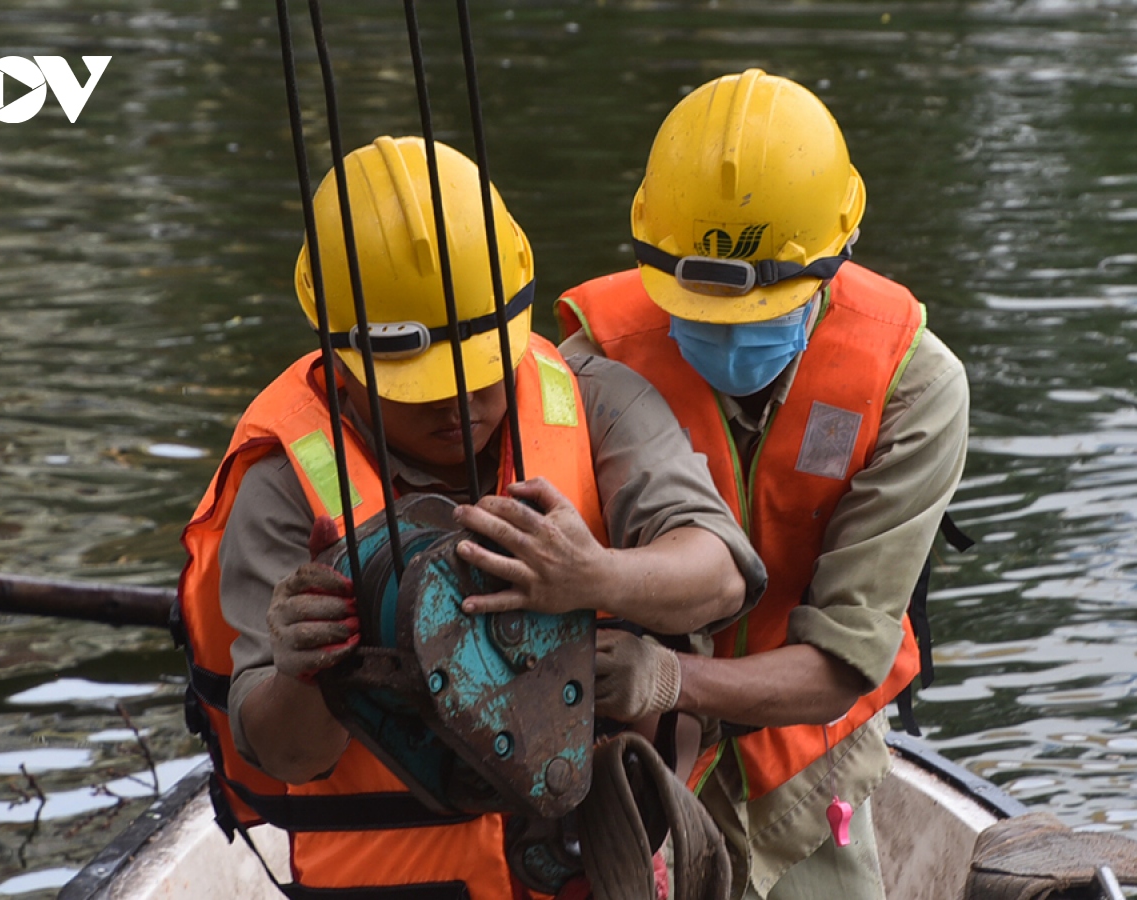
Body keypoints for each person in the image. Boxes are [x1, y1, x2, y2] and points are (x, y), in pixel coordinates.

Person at [176, 135, 765, 900]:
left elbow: (719, 571)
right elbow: (284, 755)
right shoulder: (284, 484)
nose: (458, 402)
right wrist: (306, 670)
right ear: (340, 351)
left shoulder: (596, 403)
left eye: (483, 368)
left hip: (589, 867)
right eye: (416, 384)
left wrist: (593, 575)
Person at [554, 69, 971, 899]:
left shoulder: (913, 389)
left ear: (835, 259)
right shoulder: (587, 365)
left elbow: (843, 664)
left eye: (755, 310)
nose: (723, 334)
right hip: (624, 764)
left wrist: (673, 679)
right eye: (698, 309)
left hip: (810, 773)